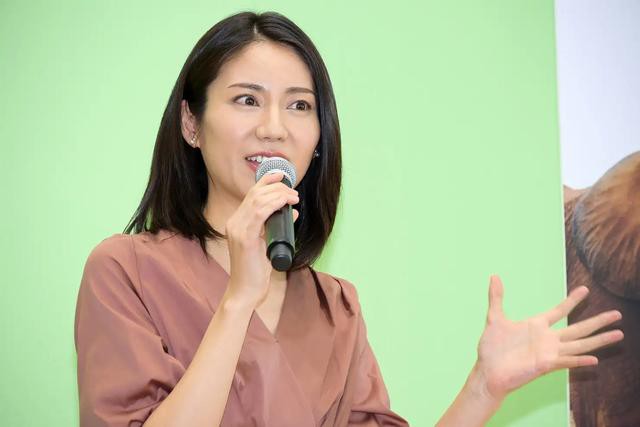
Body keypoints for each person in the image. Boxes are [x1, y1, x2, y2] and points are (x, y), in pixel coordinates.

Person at [74, 11, 625, 427]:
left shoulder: (335, 306)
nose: (274, 128)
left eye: (299, 105)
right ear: (191, 124)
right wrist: (237, 301)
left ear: (319, 139)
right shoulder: (125, 271)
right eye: (247, 100)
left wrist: (484, 388)